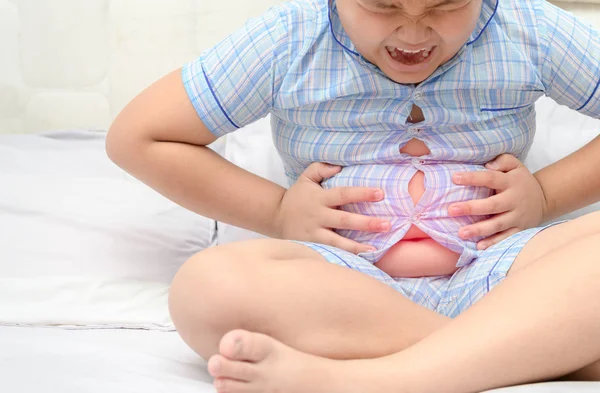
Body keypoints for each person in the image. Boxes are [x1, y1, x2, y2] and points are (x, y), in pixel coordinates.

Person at [106, 0, 600, 391]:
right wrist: (277, 212)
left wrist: (546, 193)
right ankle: (530, 349)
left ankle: (376, 381)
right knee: (207, 287)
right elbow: (139, 136)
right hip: (347, 290)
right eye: (383, 6)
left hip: (504, 270)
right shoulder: (288, 38)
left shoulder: (527, 27)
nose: (413, 33)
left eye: (445, 5)